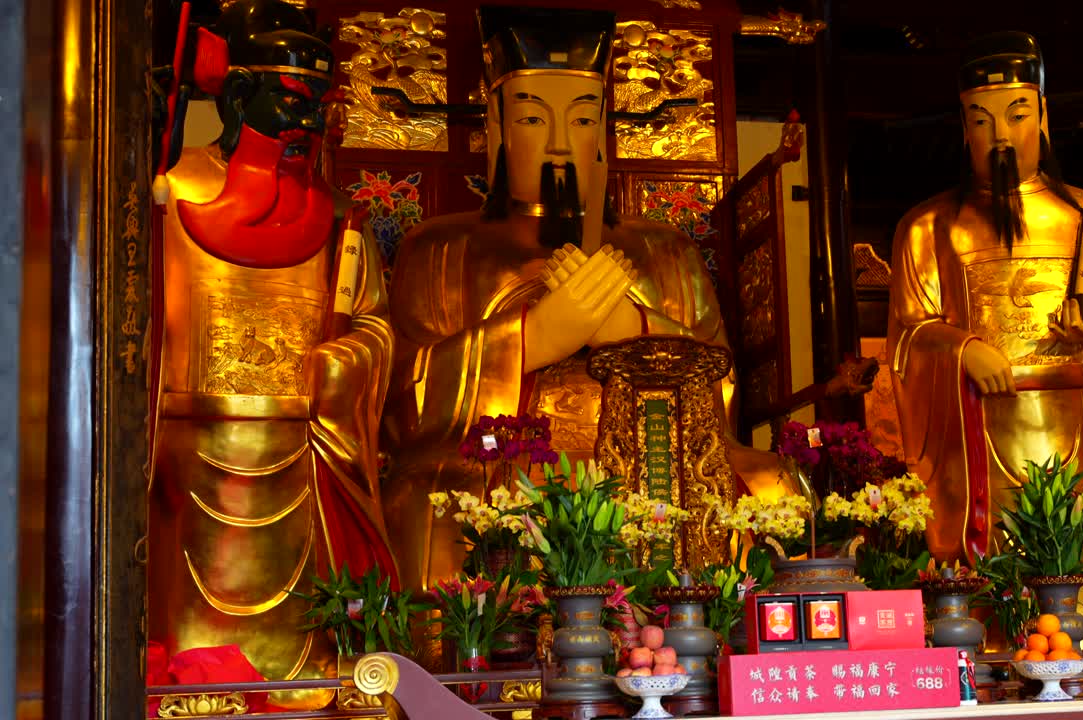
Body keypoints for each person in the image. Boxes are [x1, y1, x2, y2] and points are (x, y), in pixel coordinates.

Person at [382, 5, 791, 594]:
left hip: (651, 456)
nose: (558, 144)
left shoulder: (665, 248)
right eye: (531, 118)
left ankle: (718, 626)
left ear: (603, 128)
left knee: (773, 485)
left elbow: (723, 392)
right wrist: (535, 336)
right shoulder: (441, 246)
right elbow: (399, 399)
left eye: (580, 119)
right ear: (496, 125)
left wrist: (634, 331)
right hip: (499, 457)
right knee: (430, 500)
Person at [148, 0, 398, 698]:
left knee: (311, 657)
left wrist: (343, 365)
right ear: (236, 96)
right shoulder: (170, 194)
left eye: (317, 105)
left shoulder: (340, 218)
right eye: (290, 100)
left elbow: (376, 326)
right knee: (186, 648)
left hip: (303, 460)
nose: (307, 122)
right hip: (187, 461)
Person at [886, 32, 1083, 644]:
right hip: (978, 439)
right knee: (995, 598)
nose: (1000, 135)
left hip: (1078, 432)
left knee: (1079, 574)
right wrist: (960, 347)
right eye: (981, 120)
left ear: (1044, 116)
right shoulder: (928, 227)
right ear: (964, 128)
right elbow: (906, 335)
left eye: (1017, 114)